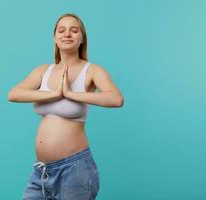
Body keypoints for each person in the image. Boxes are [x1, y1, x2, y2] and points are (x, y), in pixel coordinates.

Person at [7, 13, 124, 200]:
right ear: (55, 38)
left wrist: (71, 94)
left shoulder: (92, 71)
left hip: (74, 169)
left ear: (82, 38)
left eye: (74, 30)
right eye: (61, 30)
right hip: (42, 171)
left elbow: (116, 99)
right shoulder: (43, 71)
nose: (67, 34)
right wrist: (55, 93)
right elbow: (13, 94)